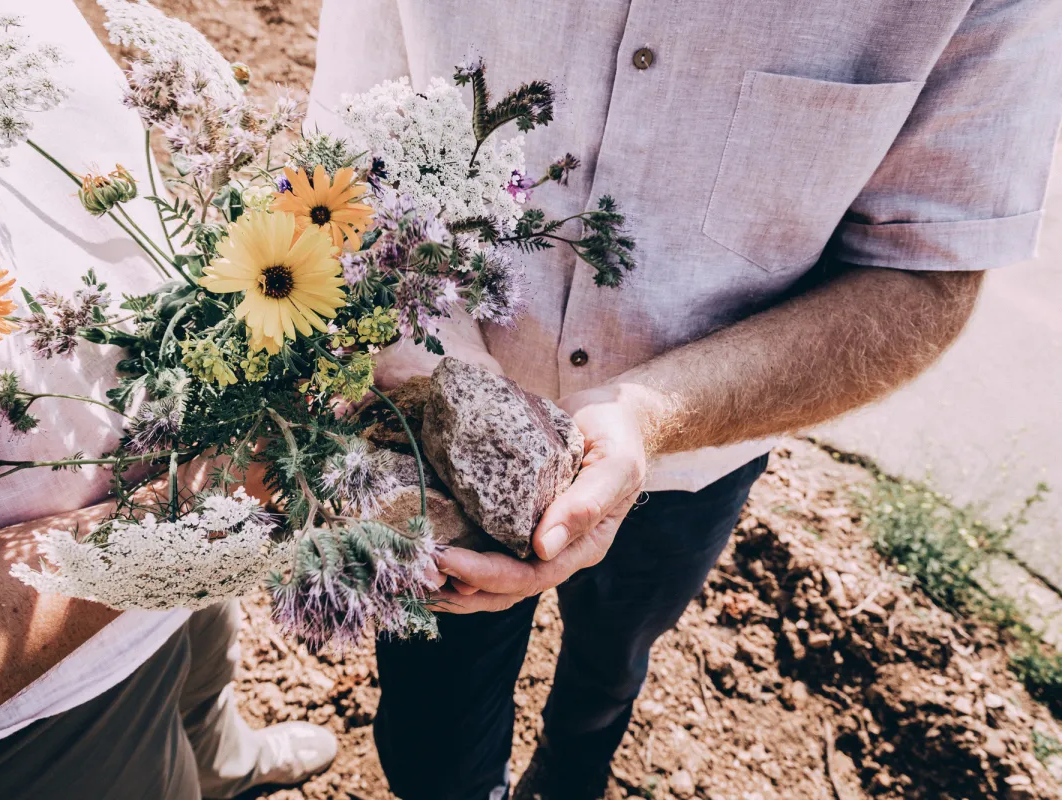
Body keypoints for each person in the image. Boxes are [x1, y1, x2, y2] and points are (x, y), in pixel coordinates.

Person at [306, 1, 1062, 798]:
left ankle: (570, 774)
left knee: (612, 662)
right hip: (436, 455)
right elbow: (349, 157)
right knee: (433, 726)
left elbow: (926, 270)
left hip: (690, 467)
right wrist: (445, 374)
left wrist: (651, 416)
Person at [0, 2, 334, 797]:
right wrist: (181, 515)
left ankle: (224, 759)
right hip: (26, 703)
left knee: (200, 679)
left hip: (179, 471)